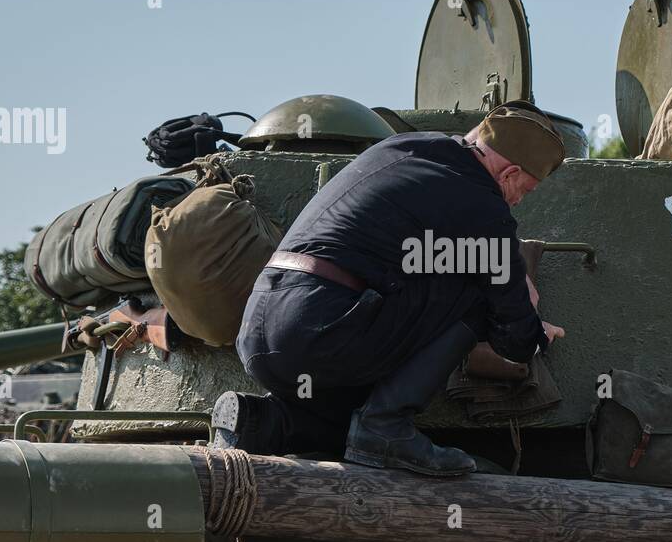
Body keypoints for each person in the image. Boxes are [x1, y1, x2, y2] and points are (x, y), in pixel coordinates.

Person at [210, 101, 566, 477]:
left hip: (261, 332)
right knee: (477, 286)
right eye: (523, 191)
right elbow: (516, 340)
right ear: (509, 172)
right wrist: (534, 328)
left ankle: (261, 421)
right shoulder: (483, 204)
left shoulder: (402, 148)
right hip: (323, 334)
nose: (517, 201)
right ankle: (387, 425)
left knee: (344, 430)